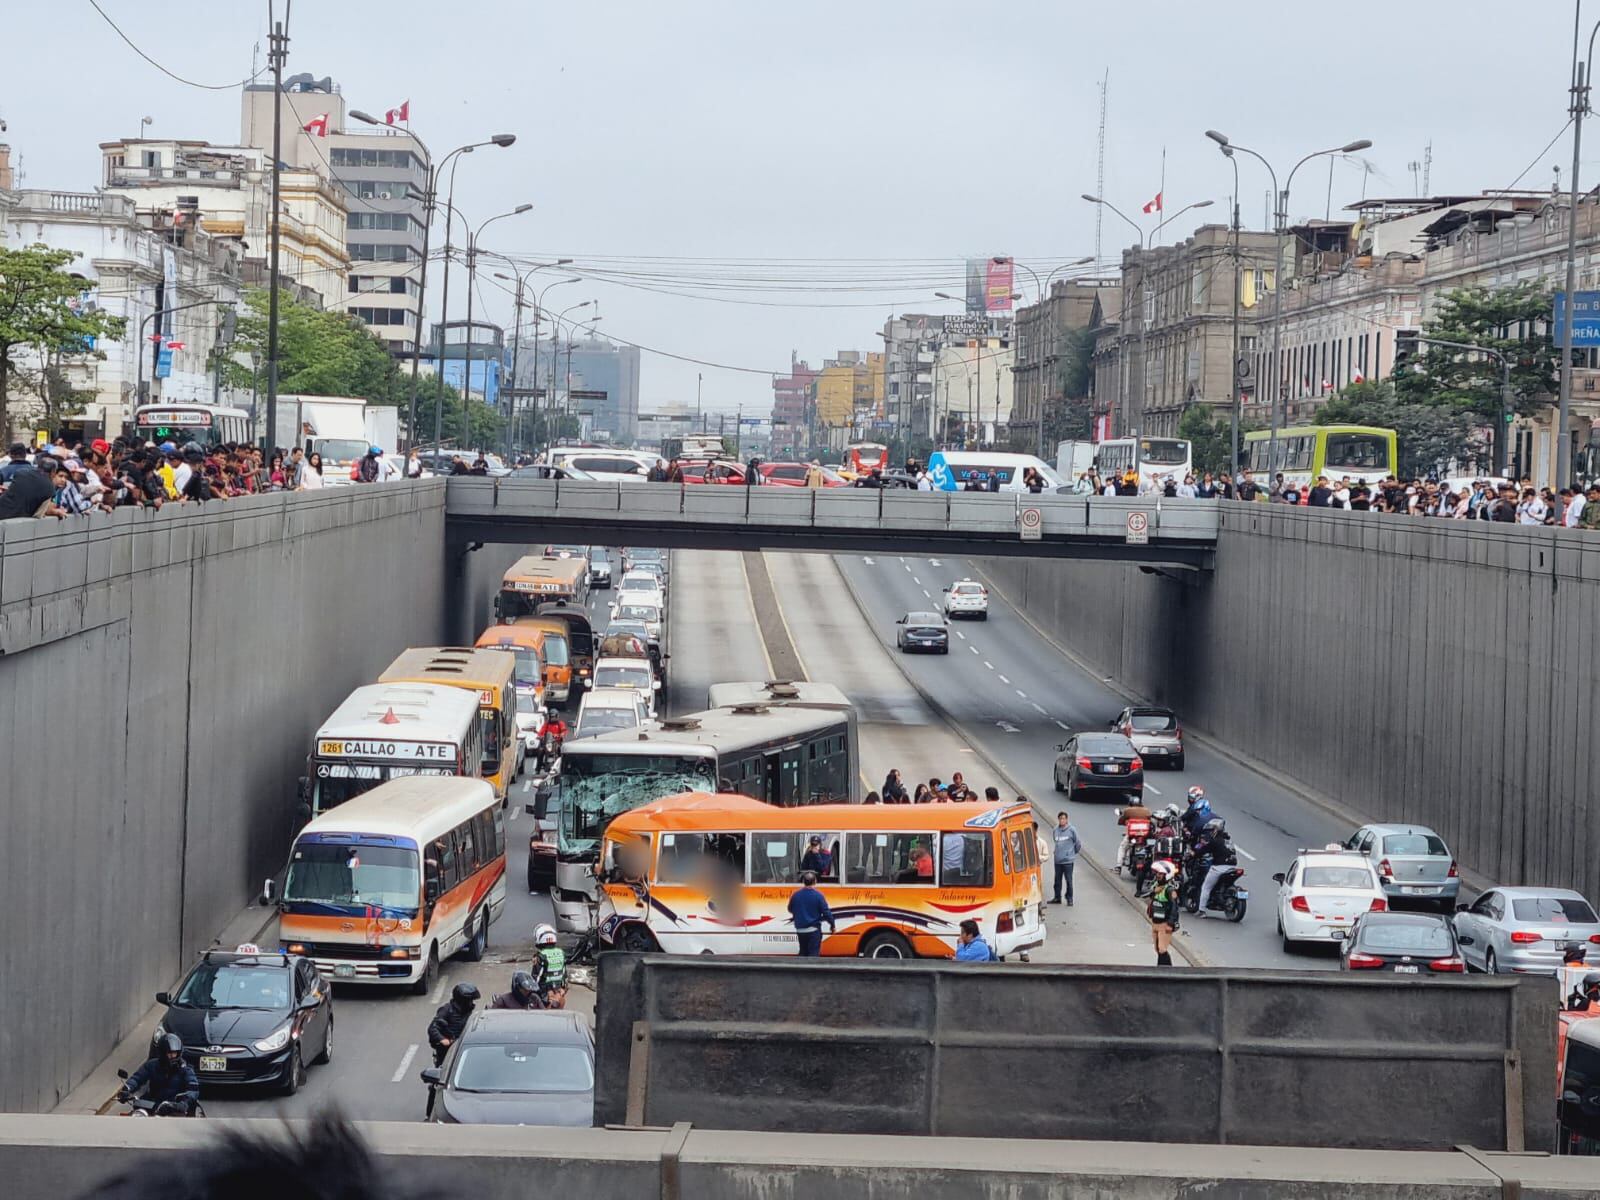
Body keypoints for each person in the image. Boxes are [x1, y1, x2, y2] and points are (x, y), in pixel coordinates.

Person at [118, 1032, 200, 1116]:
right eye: (169, 1053)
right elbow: (137, 1078)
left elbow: (193, 1090)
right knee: (133, 1116)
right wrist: (126, 1089)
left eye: (175, 1053)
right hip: (152, 1105)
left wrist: (183, 1103)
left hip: (174, 1108)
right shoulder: (151, 1065)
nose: (172, 1056)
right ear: (162, 1053)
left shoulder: (186, 1070)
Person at [1192, 817, 1239, 914]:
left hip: (1219, 867)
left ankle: (1201, 911)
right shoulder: (1228, 841)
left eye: (1211, 830)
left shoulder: (1215, 841)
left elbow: (1202, 851)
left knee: (1206, 887)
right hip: (1232, 867)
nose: (1210, 833)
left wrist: (1194, 854)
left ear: (1216, 830)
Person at [427, 982, 479, 1067]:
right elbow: (433, 1028)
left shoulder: (468, 1012)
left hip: (462, 1046)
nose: (471, 1003)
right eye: (469, 1001)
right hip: (447, 1050)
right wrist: (443, 1039)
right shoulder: (446, 1010)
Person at [787, 870, 835, 956]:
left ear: (803, 881)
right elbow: (826, 912)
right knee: (813, 955)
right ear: (815, 881)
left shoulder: (796, 895)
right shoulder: (818, 896)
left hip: (800, 930)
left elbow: (790, 909)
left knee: (803, 953)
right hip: (813, 930)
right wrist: (832, 925)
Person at [1146, 860, 1181, 966]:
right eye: (1157, 873)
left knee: (1162, 949)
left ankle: (1166, 970)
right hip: (1155, 922)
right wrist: (1153, 892)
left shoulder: (1169, 890)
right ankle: (1162, 969)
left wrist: (1170, 923)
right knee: (1157, 949)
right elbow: (1148, 896)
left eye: (1161, 874)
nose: (1158, 875)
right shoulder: (1156, 886)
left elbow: (1174, 907)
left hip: (1164, 924)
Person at [532, 923, 568, 1008]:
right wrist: (562, 989)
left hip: (545, 994)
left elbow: (536, 979)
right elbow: (564, 975)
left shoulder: (541, 956)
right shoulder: (561, 953)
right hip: (559, 992)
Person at [1050, 810, 1081, 905]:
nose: (1062, 820)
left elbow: (1078, 843)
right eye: (1060, 819)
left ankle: (1069, 898)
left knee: (1069, 881)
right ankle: (1057, 897)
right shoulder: (1055, 830)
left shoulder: (1072, 830)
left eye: (1063, 819)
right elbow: (1056, 841)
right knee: (1057, 880)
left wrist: (1071, 853)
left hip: (1068, 861)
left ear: (1067, 819)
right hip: (1058, 860)